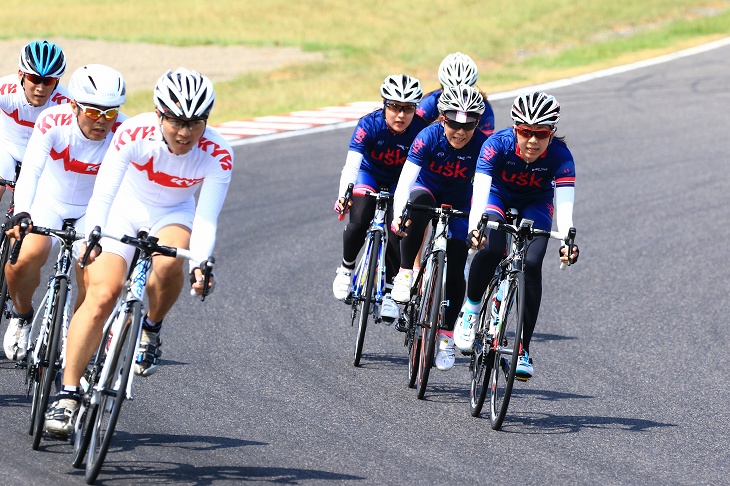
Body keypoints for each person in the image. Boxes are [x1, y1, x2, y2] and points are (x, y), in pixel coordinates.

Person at [43, 68, 233, 438]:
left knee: (168, 263)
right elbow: (104, 192)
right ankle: (66, 395)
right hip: (123, 210)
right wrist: (94, 234)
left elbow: (206, 220)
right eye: (176, 121)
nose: (185, 132)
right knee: (101, 296)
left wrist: (202, 263)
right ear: (159, 114)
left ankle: (151, 328)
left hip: (174, 214)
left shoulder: (218, 153)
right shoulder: (133, 133)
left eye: (196, 123)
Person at [2, 64, 127, 362]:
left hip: (93, 211)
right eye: (94, 112)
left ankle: (78, 337)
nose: (102, 121)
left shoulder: (125, 132)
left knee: (91, 278)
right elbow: (31, 171)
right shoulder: (52, 121)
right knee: (21, 260)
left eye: (110, 113)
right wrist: (22, 213)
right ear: (73, 105)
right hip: (50, 203)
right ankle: (21, 315)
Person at [454, 91, 580, 381]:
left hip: (536, 201)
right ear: (515, 130)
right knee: (492, 247)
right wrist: (475, 229)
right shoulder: (495, 145)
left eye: (541, 133)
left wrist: (568, 241)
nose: (533, 141)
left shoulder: (561, 156)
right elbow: (480, 194)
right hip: (497, 195)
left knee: (533, 264)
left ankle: (522, 348)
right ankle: (471, 311)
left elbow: (564, 207)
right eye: (525, 132)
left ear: (552, 133)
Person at [390, 84, 489, 370]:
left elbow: (484, 191)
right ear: (442, 119)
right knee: (416, 208)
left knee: (457, 269)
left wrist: (477, 229)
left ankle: (445, 339)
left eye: (467, 126)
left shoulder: (483, 144)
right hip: (428, 190)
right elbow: (405, 183)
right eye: (453, 124)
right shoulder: (428, 136)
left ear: (477, 124)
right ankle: (406, 273)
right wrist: (399, 215)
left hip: (461, 200)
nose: (460, 132)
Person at [332, 74, 426, 323]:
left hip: (401, 180)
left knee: (398, 231)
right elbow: (352, 165)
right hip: (369, 174)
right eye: (394, 107)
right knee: (359, 221)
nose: (400, 115)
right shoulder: (368, 124)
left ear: (415, 109)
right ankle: (346, 267)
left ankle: (387, 292)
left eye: (407, 109)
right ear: (384, 104)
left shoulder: (421, 130)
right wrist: (344, 195)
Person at [0, 40, 70, 201]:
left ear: (57, 82)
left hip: (43, 156)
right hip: (7, 149)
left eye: (48, 81)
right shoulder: (5, 89)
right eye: (34, 78)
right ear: (21, 75)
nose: (41, 87)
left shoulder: (66, 101)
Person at [416, 52, 495, 137]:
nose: (458, 98)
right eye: (451, 93)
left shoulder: (485, 111)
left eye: (464, 93)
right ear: (442, 87)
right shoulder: (428, 104)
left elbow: (486, 146)